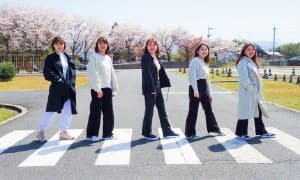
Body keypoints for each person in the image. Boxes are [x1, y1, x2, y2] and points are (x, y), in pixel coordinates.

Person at [36, 36, 77, 142]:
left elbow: (72, 72)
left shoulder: (67, 57)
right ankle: (41, 131)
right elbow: (47, 73)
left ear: (64, 45)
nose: (60, 46)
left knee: (68, 110)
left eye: (62, 44)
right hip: (57, 89)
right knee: (52, 110)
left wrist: (71, 83)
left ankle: (63, 132)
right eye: (57, 44)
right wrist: (58, 80)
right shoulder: (50, 58)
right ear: (53, 45)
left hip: (68, 88)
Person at [235, 43, 275, 140]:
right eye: (248, 49)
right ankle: (241, 133)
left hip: (255, 92)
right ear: (244, 51)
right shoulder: (242, 62)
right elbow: (244, 78)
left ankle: (261, 131)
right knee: (245, 111)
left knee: (258, 111)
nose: (251, 51)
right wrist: (252, 88)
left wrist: (256, 89)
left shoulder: (251, 61)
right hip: (248, 91)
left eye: (253, 50)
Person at [141, 38, 179, 140]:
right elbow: (147, 75)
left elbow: (159, 72)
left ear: (157, 47)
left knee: (162, 109)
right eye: (150, 45)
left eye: (154, 45)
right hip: (150, 88)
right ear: (146, 47)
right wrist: (152, 89)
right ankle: (146, 132)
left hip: (157, 86)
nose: (152, 47)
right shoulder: (145, 57)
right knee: (149, 110)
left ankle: (167, 131)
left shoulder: (155, 57)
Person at [185, 43, 225, 140]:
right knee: (193, 111)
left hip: (204, 87)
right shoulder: (194, 61)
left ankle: (214, 129)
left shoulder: (205, 62)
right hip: (196, 87)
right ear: (198, 51)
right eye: (202, 49)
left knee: (209, 109)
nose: (204, 51)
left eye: (206, 49)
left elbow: (207, 80)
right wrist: (195, 90)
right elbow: (192, 77)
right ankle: (190, 133)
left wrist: (210, 94)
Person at [86, 37, 118, 142]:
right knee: (95, 112)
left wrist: (114, 88)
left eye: (105, 43)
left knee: (109, 112)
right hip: (97, 89)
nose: (103, 45)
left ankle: (108, 134)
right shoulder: (93, 57)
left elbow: (112, 73)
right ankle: (92, 135)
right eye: (100, 43)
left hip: (107, 88)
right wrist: (97, 89)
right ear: (97, 45)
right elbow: (93, 73)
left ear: (107, 45)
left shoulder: (108, 58)